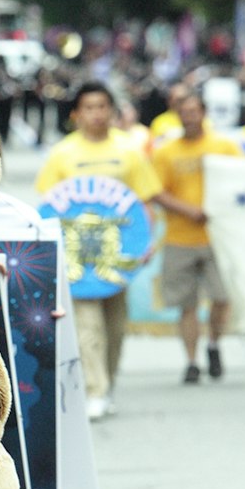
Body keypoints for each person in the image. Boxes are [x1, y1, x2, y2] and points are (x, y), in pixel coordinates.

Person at [35, 80, 163, 419]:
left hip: (117, 257)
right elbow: (50, 206)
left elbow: (144, 202)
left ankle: (107, 383)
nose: (96, 114)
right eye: (88, 108)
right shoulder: (63, 154)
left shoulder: (129, 152)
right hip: (78, 259)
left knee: (115, 328)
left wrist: (146, 242)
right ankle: (95, 390)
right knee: (88, 326)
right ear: (76, 114)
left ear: (112, 111)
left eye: (102, 106)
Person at [150, 91, 244, 383]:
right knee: (186, 304)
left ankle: (214, 343)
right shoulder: (166, 152)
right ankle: (192, 361)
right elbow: (156, 192)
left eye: (194, 111)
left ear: (204, 113)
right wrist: (189, 211)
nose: (189, 116)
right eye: (184, 111)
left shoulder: (224, 146)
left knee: (222, 298)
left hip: (218, 238)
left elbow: (244, 181)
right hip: (180, 237)